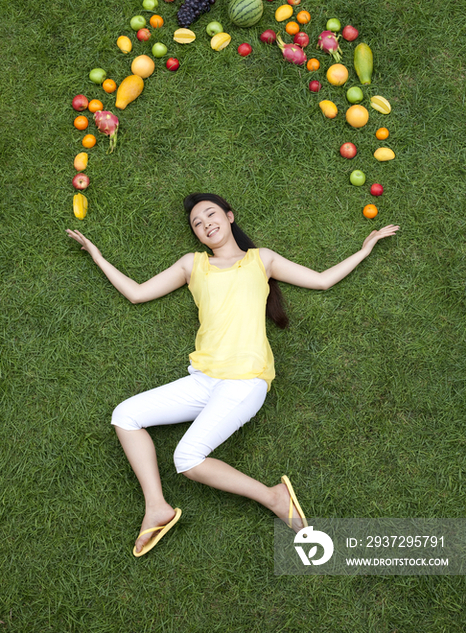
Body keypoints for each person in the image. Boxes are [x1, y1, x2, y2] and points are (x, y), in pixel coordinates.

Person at [66, 193, 399, 556]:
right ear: (197, 235)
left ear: (228, 216)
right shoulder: (192, 266)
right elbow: (137, 293)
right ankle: (157, 507)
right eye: (197, 223)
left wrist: (364, 250)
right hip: (203, 379)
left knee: (187, 458)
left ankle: (274, 496)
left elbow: (320, 280)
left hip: (245, 380)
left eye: (211, 214)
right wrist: (97, 255)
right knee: (125, 415)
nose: (206, 223)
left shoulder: (262, 260)